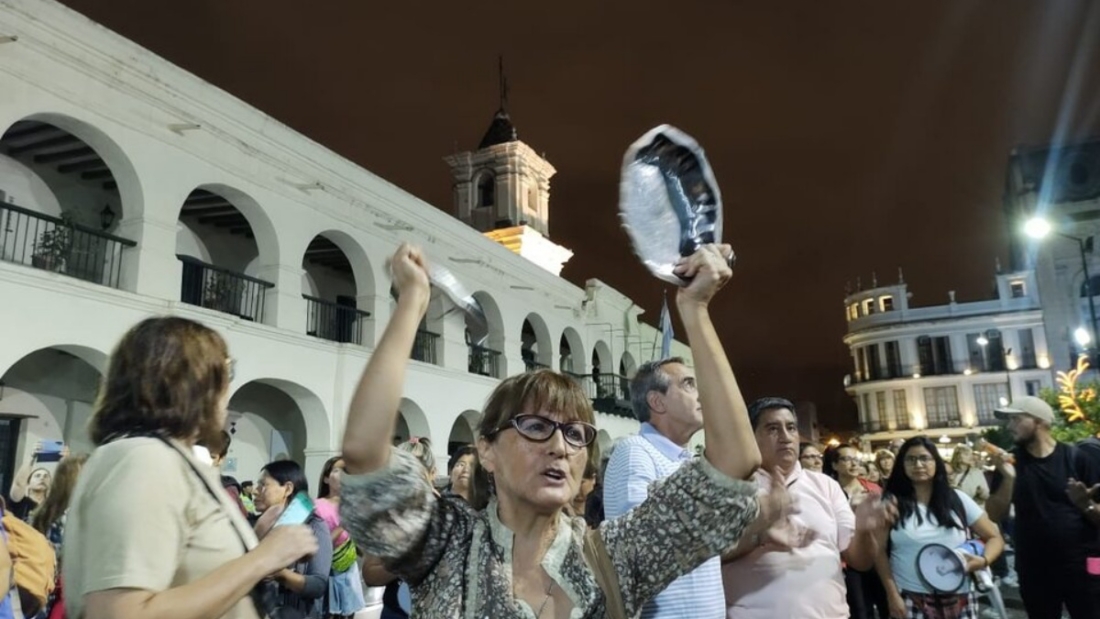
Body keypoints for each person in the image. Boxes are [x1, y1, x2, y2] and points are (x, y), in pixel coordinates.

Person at [339, 243, 769, 617]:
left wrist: (695, 311)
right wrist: (413, 301)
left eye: (576, 433)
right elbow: (365, 454)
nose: (560, 446)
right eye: (535, 426)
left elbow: (733, 467)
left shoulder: (614, 557)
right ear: (486, 450)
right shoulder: (448, 544)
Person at [63, 316, 318, 619]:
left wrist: (254, 544)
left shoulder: (164, 457)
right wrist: (263, 558)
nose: (230, 383)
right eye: (227, 369)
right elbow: (121, 613)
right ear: (193, 382)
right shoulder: (143, 461)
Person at [722, 398, 894, 618]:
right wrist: (759, 533)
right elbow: (708, 556)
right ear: (751, 437)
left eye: (791, 428)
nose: (785, 437)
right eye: (773, 428)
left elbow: (860, 561)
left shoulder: (826, 486)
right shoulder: (732, 487)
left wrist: (863, 529)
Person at [602, 350, 738, 618]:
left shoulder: (688, 462)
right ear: (657, 401)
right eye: (688, 384)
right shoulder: (635, 452)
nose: (701, 394)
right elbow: (643, 548)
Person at [986, 396, 1100, 618]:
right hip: (1034, 570)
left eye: (1016, 419)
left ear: (1038, 421)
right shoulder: (1010, 462)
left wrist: (1085, 504)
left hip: (1082, 568)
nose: (1009, 426)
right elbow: (993, 515)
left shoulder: (1078, 458)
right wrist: (1008, 479)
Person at [874, 437, 1003, 619]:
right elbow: (878, 551)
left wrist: (983, 561)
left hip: (960, 595)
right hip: (911, 596)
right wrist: (892, 595)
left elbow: (994, 537)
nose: (918, 464)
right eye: (910, 459)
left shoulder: (957, 499)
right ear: (902, 465)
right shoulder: (890, 504)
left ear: (936, 462)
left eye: (925, 458)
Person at [253, 460, 332, 619]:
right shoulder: (257, 524)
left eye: (263, 485)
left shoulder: (314, 527)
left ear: (287, 489)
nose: (255, 491)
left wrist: (280, 574)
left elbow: (317, 585)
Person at [316, 457, 367, 619]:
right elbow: (319, 545)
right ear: (325, 478)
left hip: (348, 575)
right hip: (325, 575)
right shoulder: (316, 505)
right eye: (338, 470)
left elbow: (363, 550)